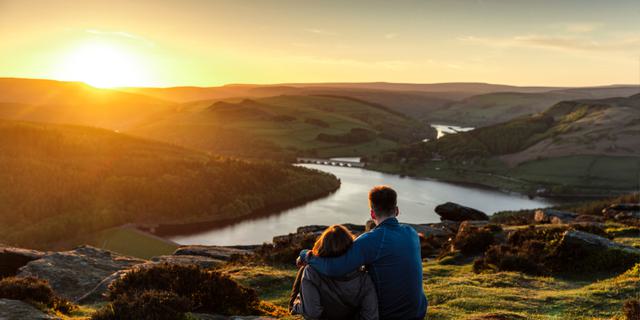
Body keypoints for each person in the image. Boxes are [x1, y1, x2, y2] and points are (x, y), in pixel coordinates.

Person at [298, 186, 427, 320]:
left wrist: (306, 255)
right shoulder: (411, 233)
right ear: (397, 211)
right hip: (417, 313)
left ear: (372, 214)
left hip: (388, 315)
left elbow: (334, 268)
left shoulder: (370, 240)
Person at [290, 224, 378, 320]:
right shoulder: (364, 278)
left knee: (304, 269)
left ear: (323, 245)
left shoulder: (311, 273)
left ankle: (293, 305)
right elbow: (370, 316)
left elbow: (312, 313)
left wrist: (297, 306)